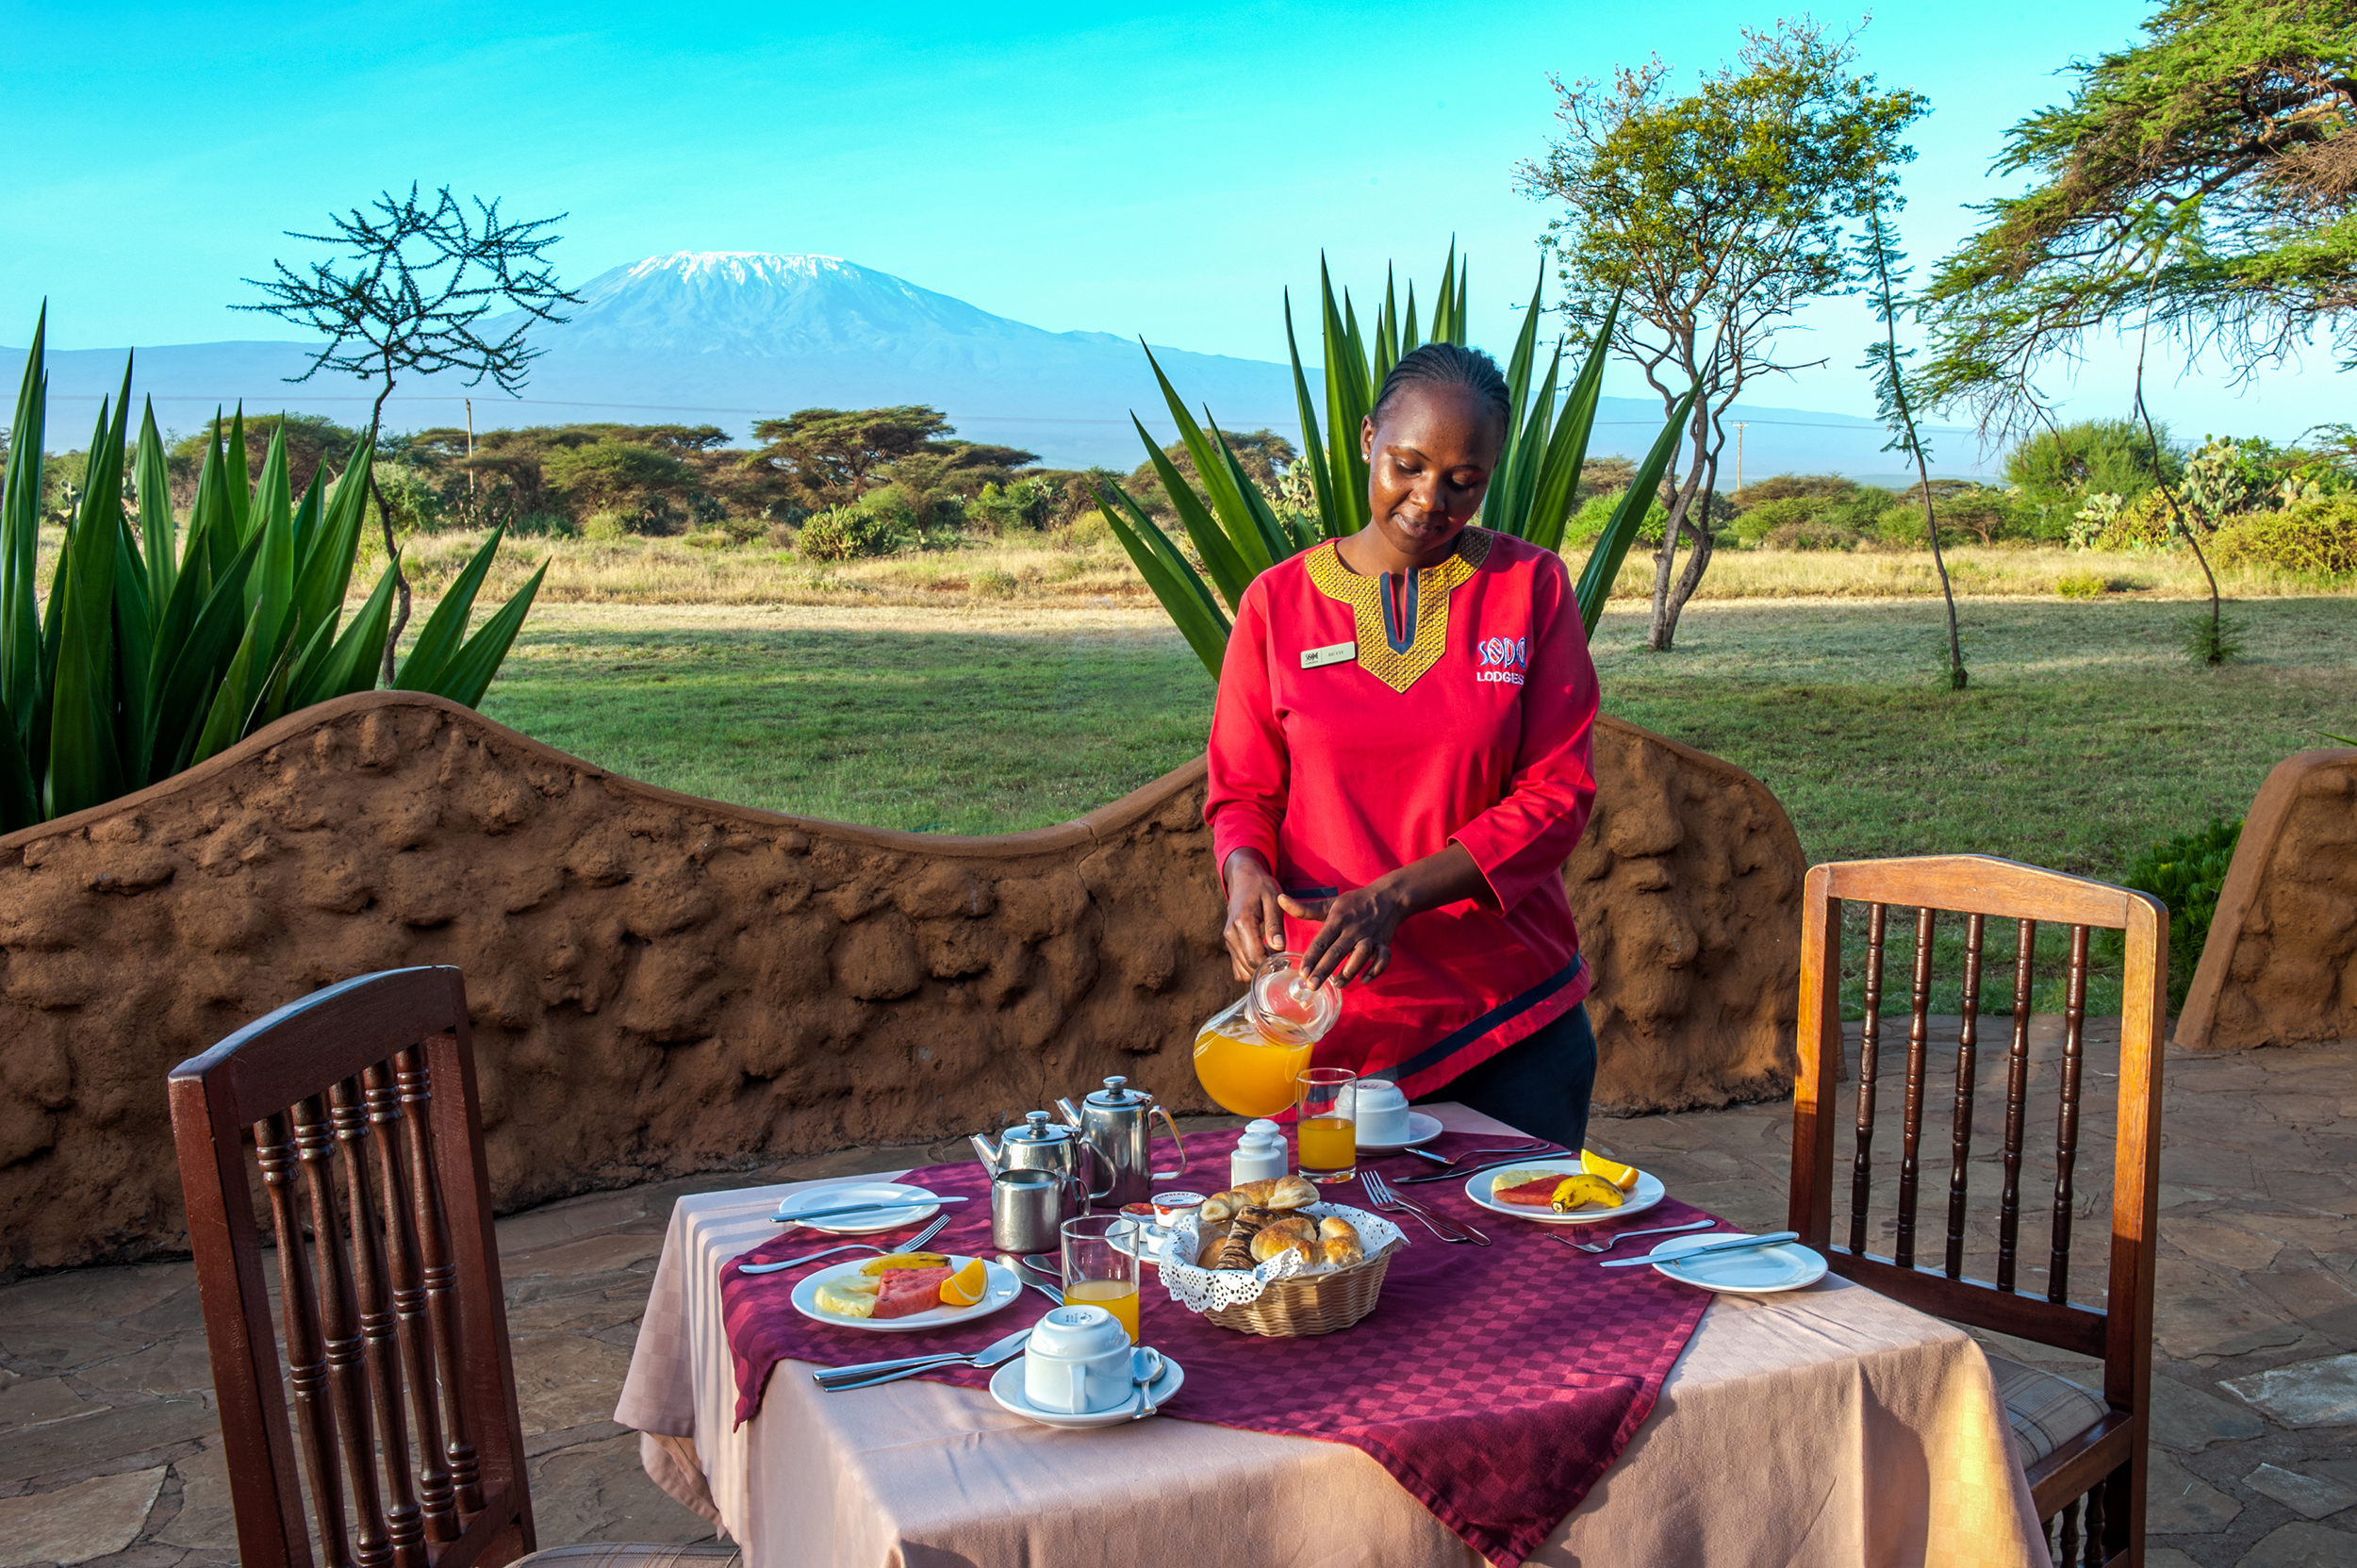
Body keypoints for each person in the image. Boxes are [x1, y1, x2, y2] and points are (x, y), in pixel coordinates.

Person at [1203, 341, 1602, 1151]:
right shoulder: (1276, 604)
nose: (1429, 500)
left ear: (1493, 472)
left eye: (1465, 480)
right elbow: (1243, 791)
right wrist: (1243, 870)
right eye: (1407, 466)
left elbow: (1557, 794)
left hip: (1508, 1015)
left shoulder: (1532, 589)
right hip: (1329, 1024)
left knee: (1522, 1269)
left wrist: (1396, 897)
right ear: (1365, 441)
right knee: (1330, 1265)